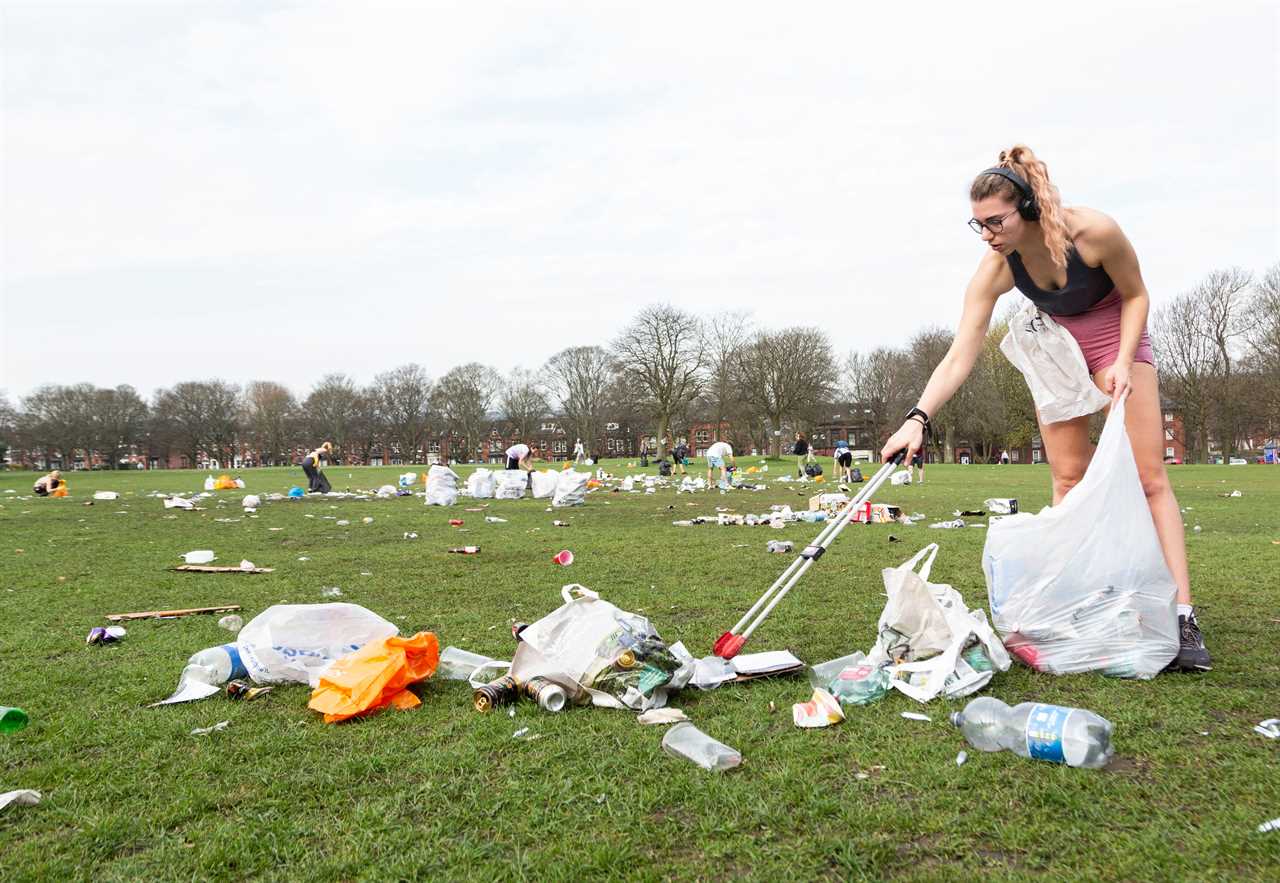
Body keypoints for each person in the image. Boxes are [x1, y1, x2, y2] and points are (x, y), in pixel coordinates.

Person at [879, 144, 1209, 672]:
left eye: (995, 221)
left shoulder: (1093, 232)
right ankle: (1076, 602)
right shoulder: (996, 268)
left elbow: (1137, 295)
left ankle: (1184, 617)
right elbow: (962, 349)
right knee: (1067, 481)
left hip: (1113, 335)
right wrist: (917, 419)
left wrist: (1125, 360)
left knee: (1149, 478)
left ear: (1029, 208)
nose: (986, 234)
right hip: (1055, 345)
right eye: (977, 224)